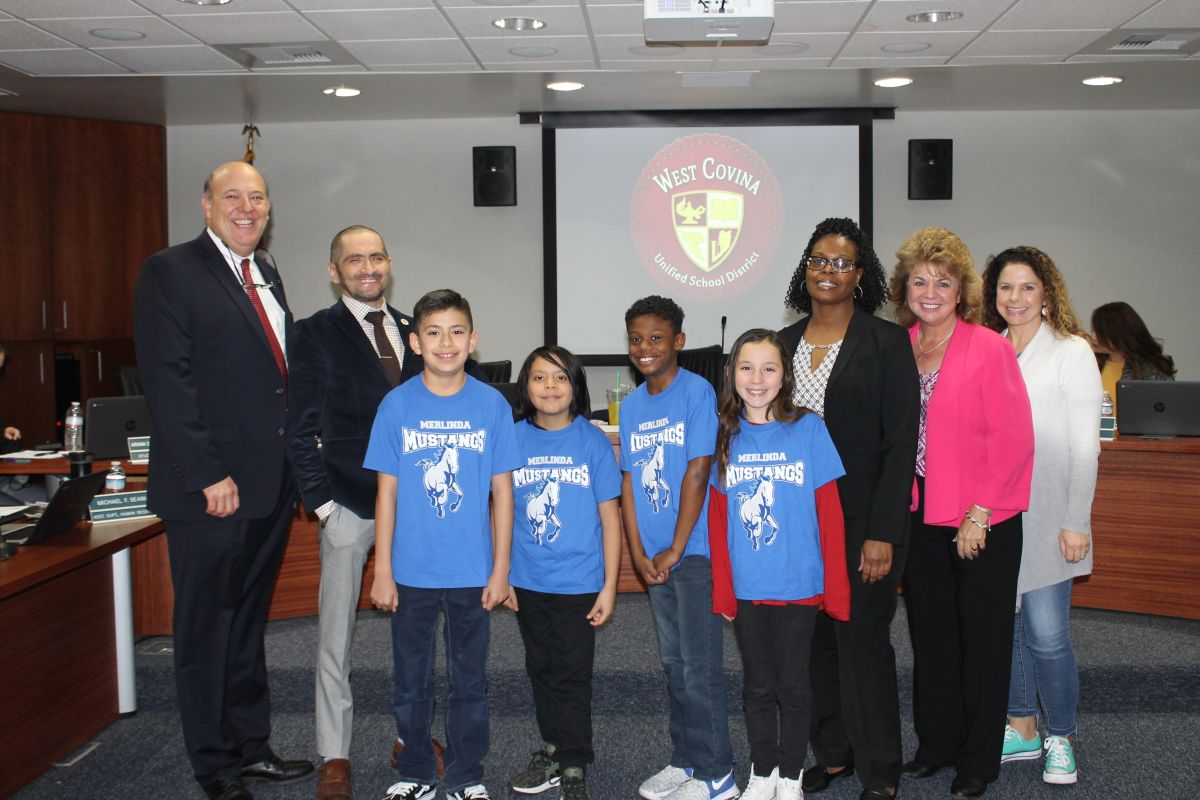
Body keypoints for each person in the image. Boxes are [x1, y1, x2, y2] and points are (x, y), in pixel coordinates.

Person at [133, 161, 313, 800]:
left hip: (269, 486)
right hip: (211, 490)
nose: (247, 208)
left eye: (257, 198)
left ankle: (251, 748)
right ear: (206, 205)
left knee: (246, 626)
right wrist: (209, 473)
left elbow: (272, 378)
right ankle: (214, 766)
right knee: (207, 629)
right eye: (232, 197)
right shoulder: (171, 270)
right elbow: (169, 381)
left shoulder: (266, 271)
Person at [888, 227, 1034, 799]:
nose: (930, 291)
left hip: (982, 520)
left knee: (984, 640)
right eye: (919, 280)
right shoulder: (900, 346)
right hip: (921, 517)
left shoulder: (989, 346)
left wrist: (981, 512)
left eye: (942, 281)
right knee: (932, 637)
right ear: (905, 288)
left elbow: (1014, 440)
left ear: (961, 290)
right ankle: (937, 744)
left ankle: (979, 759)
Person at [777, 218, 919, 800]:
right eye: (818, 260)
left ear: (861, 276)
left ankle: (880, 772)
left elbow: (899, 442)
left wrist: (883, 531)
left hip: (863, 524)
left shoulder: (884, 343)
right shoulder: (781, 347)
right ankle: (834, 755)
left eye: (840, 263)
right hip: (797, 525)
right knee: (811, 647)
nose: (827, 271)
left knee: (862, 644)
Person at [287, 225, 425, 800]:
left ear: (388, 264)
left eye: (375, 257)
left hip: (417, 510)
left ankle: (410, 738)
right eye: (353, 260)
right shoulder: (314, 333)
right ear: (333, 270)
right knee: (335, 639)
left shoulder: (418, 332)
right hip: (349, 505)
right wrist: (323, 507)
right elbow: (299, 431)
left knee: (416, 635)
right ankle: (334, 754)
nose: (366, 268)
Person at [366, 289, 520, 800]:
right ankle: (414, 769)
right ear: (415, 342)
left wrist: (501, 570)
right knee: (411, 680)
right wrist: (382, 569)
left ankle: (465, 774)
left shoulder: (492, 404)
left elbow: (504, 493)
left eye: (456, 332)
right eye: (433, 333)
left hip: (473, 572)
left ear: (473, 340)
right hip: (410, 572)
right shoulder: (396, 404)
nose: (445, 342)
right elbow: (385, 494)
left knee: (468, 681)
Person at [707, 328, 849, 800]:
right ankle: (762, 771)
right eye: (746, 367)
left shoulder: (808, 428)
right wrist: (723, 590)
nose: (757, 378)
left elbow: (830, 514)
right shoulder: (725, 433)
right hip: (748, 588)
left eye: (769, 368)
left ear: (784, 375)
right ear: (732, 374)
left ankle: (790, 776)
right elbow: (718, 523)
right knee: (757, 686)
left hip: (799, 586)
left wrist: (836, 587)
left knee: (793, 685)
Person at [982, 247, 1101, 785]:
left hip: (1053, 515)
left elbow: (1086, 446)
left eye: (1027, 287)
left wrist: (1078, 519)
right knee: (1007, 630)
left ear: (1047, 295)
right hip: (1001, 516)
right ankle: (1023, 727)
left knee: (1047, 634)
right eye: (1006, 288)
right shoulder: (989, 351)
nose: (1016, 298)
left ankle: (1061, 734)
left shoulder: (1071, 352)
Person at [619, 295, 737, 800]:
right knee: (674, 663)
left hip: (692, 555)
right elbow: (627, 482)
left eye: (656, 338)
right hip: (654, 557)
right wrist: (640, 552)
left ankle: (719, 774)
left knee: (700, 664)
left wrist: (674, 547)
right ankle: (685, 760)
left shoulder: (696, 391)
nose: (645, 348)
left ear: (679, 342)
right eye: (636, 339)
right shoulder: (630, 404)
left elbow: (697, 470)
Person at [506, 345, 622, 800]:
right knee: (541, 668)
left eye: (559, 378)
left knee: (572, 673)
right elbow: (498, 511)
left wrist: (610, 586)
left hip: (579, 581)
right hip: (528, 581)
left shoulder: (592, 440)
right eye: (539, 378)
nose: (550, 387)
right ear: (525, 386)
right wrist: (503, 575)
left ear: (576, 385)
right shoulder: (511, 438)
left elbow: (610, 518)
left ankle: (574, 762)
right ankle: (552, 747)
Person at [1090, 301, 1176, 413]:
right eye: (1092, 330)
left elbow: (1165, 414)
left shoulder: (1152, 371)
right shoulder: (1089, 364)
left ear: (1118, 333)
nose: (1093, 337)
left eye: (1099, 332)